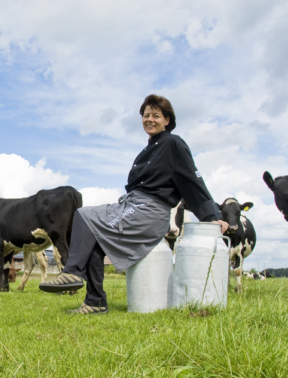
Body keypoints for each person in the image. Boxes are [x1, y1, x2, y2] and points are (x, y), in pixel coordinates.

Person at [39, 94, 228, 314]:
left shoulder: (173, 144)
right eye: (146, 115)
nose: (150, 119)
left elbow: (192, 181)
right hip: (133, 206)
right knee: (93, 240)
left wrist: (211, 215)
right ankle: (95, 302)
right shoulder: (146, 151)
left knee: (83, 215)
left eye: (156, 115)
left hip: (149, 211)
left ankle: (72, 272)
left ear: (167, 120)